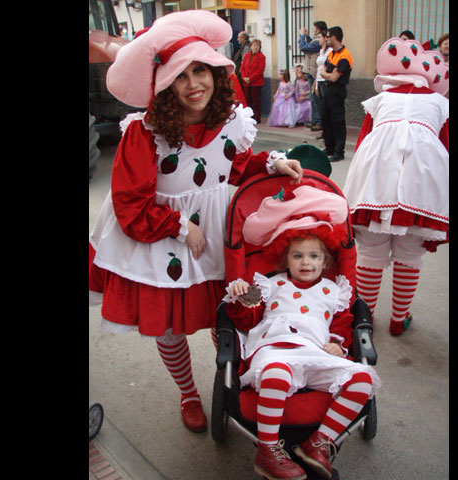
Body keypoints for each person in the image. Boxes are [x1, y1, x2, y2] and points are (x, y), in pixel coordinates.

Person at [89, 10, 304, 435]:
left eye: (200, 70)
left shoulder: (230, 122)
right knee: (170, 327)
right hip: (162, 237)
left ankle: (232, 383)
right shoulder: (144, 132)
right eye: (180, 75)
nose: (193, 84)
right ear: (164, 83)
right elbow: (130, 204)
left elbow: (236, 169)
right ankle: (188, 393)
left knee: (228, 313)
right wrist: (181, 227)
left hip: (219, 233)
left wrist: (275, 163)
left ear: (215, 71)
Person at [224, 185, 381, 480]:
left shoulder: (334, 290)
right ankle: (268, 451)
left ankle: (318, 443)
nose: (306, 263)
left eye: (313, 256)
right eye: (297, 256)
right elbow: (247, 320)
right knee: (276, 375)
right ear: (286, 259)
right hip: (276, 349)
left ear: (326, 261)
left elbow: (341, 323)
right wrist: (239, 296)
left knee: (362, 380)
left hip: (316, 352)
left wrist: (336, 342)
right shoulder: (270, 284)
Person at [343, 36, 449, 337]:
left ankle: (364, 319)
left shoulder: (380, 100)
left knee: (371, 252)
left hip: (376, 179)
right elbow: (446, 146)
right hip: (422, 183)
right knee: (410, 251)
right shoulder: (440, 103)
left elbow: (364, 141)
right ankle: (398, 319)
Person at [320, 26, 353, 162]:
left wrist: (326, 74)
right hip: (327, 90)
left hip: (337, 90)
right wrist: (328, 74)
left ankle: (339, 151)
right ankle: (329, 148)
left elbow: (334, 77)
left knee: (337, 121)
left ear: (333, 37)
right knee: (326, 119)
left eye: (328, 36)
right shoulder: (331, 54)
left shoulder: (345, 56)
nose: (326, 39)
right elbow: (323, 71)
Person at [298, 21, 327, 130]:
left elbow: (304, 48)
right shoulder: (316, 41)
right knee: (313, 98)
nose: (313, 30)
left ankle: (319, 121)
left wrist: (302, 35)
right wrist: (306, 36)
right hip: (311, 71)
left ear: (318, 29)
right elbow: (311, 44)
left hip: (315, 72)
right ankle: (315, 120)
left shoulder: (317, 43)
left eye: (314, 29)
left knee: (315, 98)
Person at [240, 39, 266, 123]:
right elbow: (243, 68)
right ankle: (249, 116)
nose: (255, 47)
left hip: (256, 82)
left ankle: (257, 117)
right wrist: (244, 77)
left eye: (257, 46)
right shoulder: (247, 55)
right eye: (254, 45)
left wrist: (250, 79)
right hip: (246, 82)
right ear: (251, 46)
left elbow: (260, 70)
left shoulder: (261, 57)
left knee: (256, 101)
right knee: (248, 100)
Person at [312, 31, 333, 135]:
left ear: (325, 38)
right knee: (320, 105)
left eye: (320, 37)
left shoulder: (330, 51)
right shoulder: (321, 51)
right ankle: (324, 131)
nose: (318, 39)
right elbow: (318, 68)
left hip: (325, 80)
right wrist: (315, 82)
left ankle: (327, 131)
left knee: (326, 106)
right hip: (319, 79)